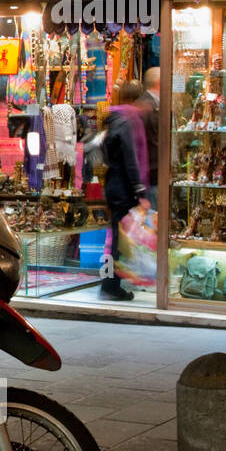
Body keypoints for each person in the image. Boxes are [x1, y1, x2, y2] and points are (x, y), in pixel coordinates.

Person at [102, 81, 150, 301]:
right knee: (119, 241)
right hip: (123, 187)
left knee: (115, 238)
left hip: (114, 184)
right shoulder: (128, 121)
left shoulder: (115, 119)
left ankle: (109, 282)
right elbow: (131, 159)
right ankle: (111, 285)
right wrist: (139, 191)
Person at [135, 67, 160, 207]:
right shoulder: (145, 106)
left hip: (153, 173)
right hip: (151, 174)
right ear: (159, 83)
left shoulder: (151, 104)